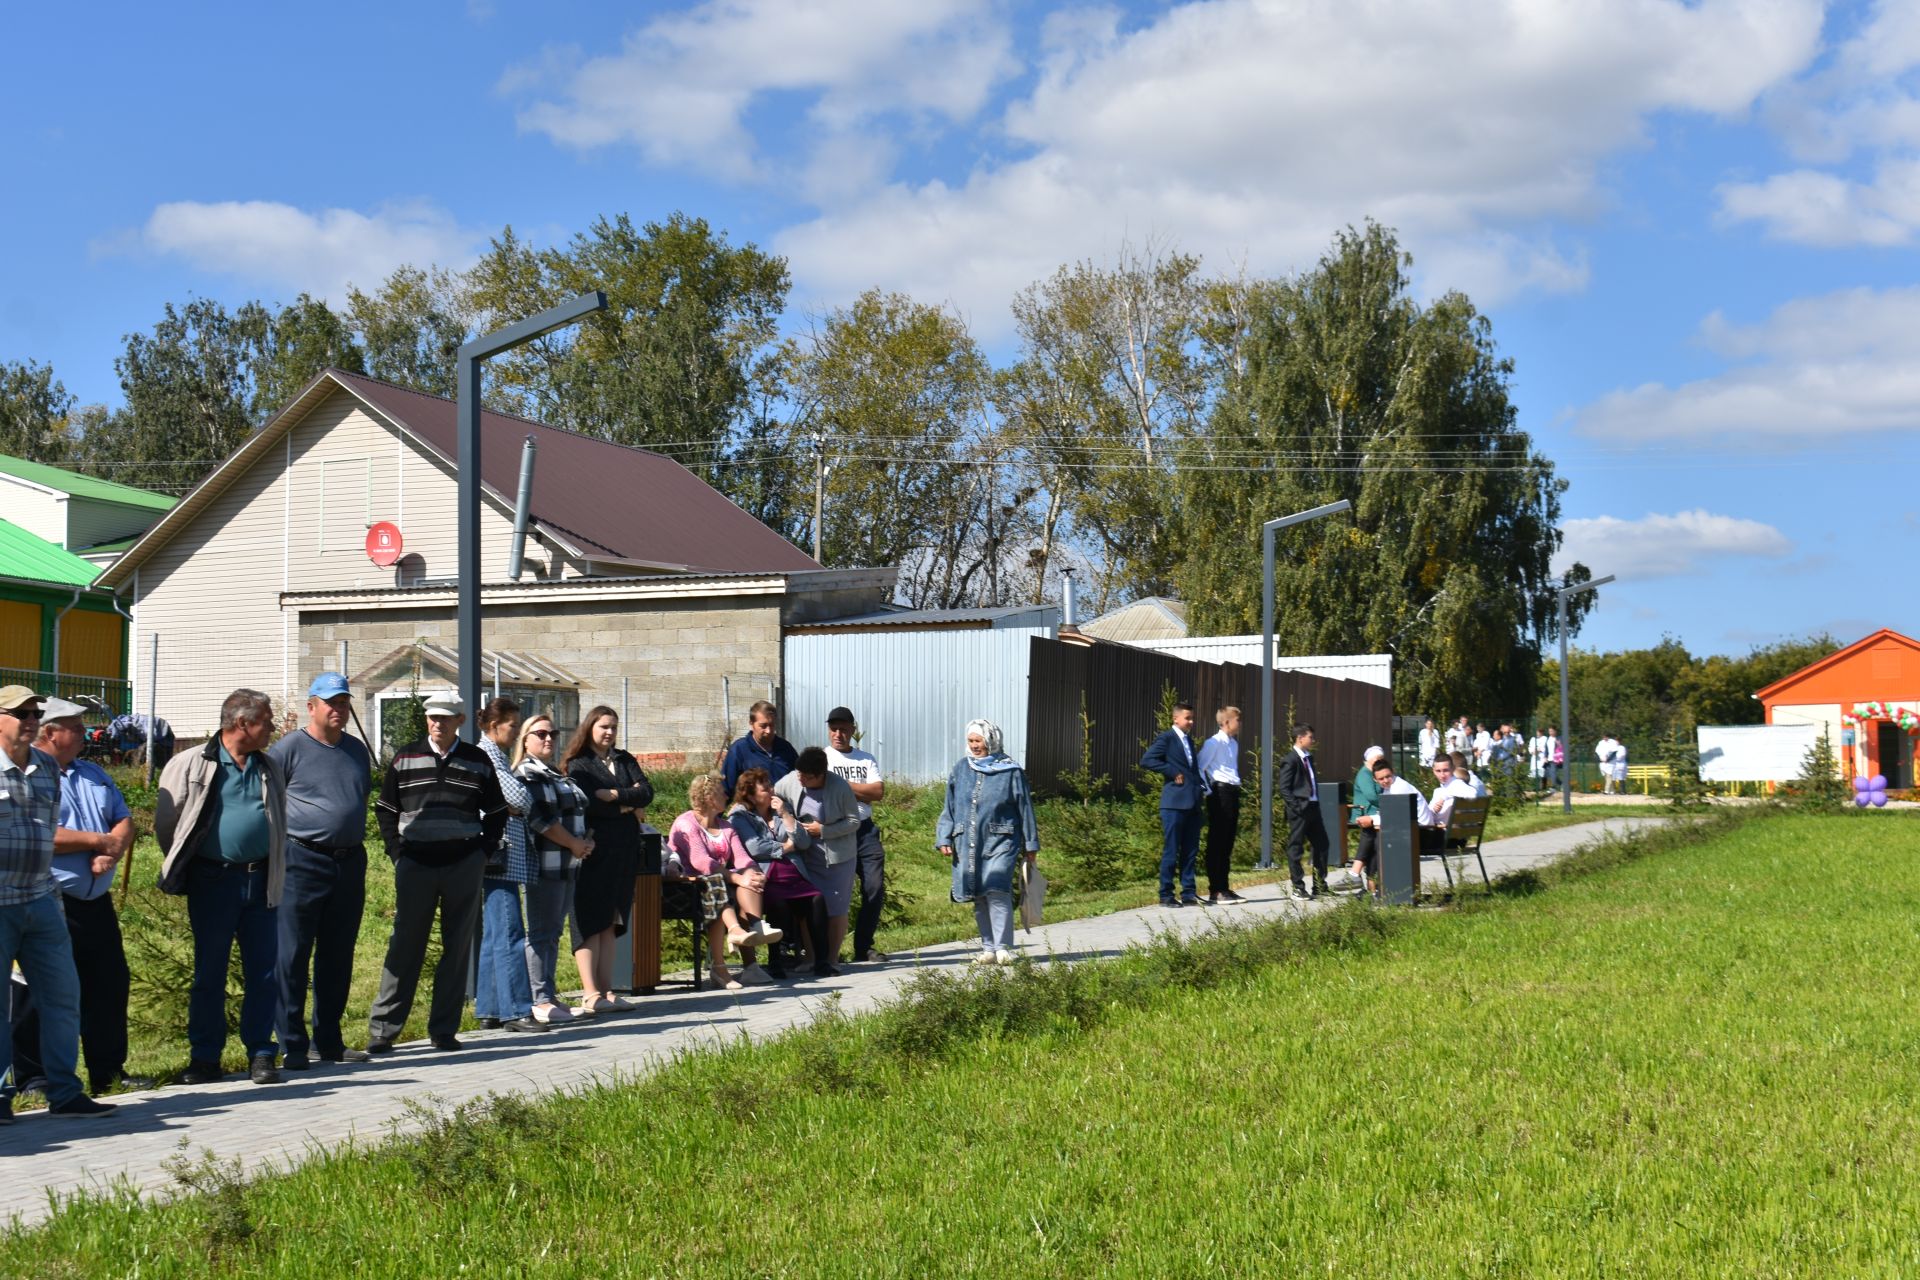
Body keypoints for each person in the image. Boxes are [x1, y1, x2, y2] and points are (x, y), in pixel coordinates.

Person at [157, 688, 288, 1086]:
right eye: (266, 720)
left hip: (262, 878)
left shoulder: (269, 766)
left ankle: (261, 1054)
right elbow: (169, 824)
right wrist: (188, 866)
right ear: (242, 723)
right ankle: (205, 1058)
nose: (272, 727)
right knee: (209, 971)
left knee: (264, 972)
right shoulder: (190, 763)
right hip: (213, 881)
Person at [14, 698, 143, 1096]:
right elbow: (38, 835)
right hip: (50, 898)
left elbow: (123, 818)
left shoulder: (93, 773)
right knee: (43, 989)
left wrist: (112, 849)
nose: (85, 734)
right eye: (75, 726)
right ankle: (34, 1077)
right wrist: (96, 841)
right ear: (51, 732)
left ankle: (107, 1071)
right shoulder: (30, 774)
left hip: (95, 902)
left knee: (108, 982)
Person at [367, 690, 506, 1053]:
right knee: (404, 946)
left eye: (445, 717)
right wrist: (397, 854)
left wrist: (481, 853)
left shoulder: (477, 760)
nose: (437, 723)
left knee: (456, 947)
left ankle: (443, 1029)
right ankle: (384, 1029)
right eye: (432, 716)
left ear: (459, 720)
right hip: (416, 863)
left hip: (463, 863)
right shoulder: (406, 756)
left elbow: (496, 812)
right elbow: (385, 809)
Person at [0, 686, 115, 1120]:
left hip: (42, 898)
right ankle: (1, 1095)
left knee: (63, 997)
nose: (30, 720)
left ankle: (65, 1093)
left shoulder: (47, 766)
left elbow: (48, 831)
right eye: (20, 713)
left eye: (35, 713)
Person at [270, 674, 374, 1071]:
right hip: (301, 860)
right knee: (293, 953)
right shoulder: (289, 749)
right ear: (311, 706)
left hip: (348, 862)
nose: (338, 709)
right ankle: (292, 1044)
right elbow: (268, 802)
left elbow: (359, 797)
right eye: (330, 702)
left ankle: (328, 1040)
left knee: (337, 954)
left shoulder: (356, 750)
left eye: (344, 702)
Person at [564, 705, 653, 1015]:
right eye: (603, 726)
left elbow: (647, 793)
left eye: (614, 727)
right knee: (590, 920)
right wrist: (629, 801)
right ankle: (590, 993)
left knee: (611, 921)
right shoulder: (579, 764)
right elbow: (590, 804)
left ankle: (606, 990)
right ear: (590, 727)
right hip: (595, 852)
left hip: (625, 851)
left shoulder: (624, 759)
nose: (609, 732)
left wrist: (615, 796)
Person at [512, 712, 594, 1025]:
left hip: (568, 864)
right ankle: (540, 999)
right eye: (541, 734)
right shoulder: (527, 772)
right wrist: (573, 843)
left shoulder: (553, 772)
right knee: (541, 932)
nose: (548, 739)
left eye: (552, 734)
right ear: (525, 739)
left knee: (553, 932)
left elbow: (578, 811)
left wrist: (586, 841)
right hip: (543, 865)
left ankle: (549, 993)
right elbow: (540, 819)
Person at [936, 719, 1039, 965]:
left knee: (996, 888)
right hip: (968, 842)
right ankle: (988, 948)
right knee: (978, 893)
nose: (974, 746)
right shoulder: (961, 768)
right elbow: (949, 806)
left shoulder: (1011, 770)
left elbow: (1025, 807)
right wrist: (944, 836)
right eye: (970, 741)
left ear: (991, 741)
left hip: (1001, 841)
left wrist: (1031, 844)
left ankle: (1003, 947)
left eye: (978, 741)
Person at [666, 775, 783, 990]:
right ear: (709, 796)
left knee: (747, 877)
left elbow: (742, 857)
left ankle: (756, 928)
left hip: (716, 883)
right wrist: (737, 877)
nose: (727, 796)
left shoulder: (726, 826)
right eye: (722, 792)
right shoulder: (686, 823)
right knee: (723, 882)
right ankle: (735, 936)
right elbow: (701, 862)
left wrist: (753, 872)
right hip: (687, 887)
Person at [473, 697, 544, 1035]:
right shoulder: (488, 756)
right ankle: (515, 1010)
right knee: (510, 932)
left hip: (498, 858)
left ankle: (488, 1007)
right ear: (493, 725)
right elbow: (518, 798)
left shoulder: (495, 757)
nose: (516, 732)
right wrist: (517, 805)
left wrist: (512, 805)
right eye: (513, 726)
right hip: (500, 858)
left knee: (494, 934)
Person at [727, 768, 822, 978]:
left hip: (795, 874)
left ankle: (820, 959)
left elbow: (804, 842)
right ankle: (775, 961)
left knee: (816, 899)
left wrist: (786, 815)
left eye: (771, 785)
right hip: (767, 877)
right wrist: (785, 848)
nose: (772, 790)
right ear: (750, 795)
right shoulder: (740, 816)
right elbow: (754, 847)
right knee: (778, 904)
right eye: (765, 788)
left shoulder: (780, 810)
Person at [774, 747, 861, 976]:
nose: (800, 779)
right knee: (808, 906)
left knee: (836, 909)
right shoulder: (791, 780)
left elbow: (854, 821)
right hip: (807, 857)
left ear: (820, 775)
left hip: (839, 858)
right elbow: (772, 797)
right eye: (798, 773)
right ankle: (811, 958)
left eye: (806, 776)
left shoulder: (840, 787)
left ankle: (831, 958)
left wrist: (823, 830)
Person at [824, 706, 889, 963]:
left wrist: (842, 785)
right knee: (837, 892)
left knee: (874, 887)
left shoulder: (866, 758)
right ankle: (830, 949)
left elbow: (878, 793)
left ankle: (863, 946)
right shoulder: (823, 758)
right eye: (833, 729)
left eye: (843, 729)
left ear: (853, 730)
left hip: (865, 831)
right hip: (837, 831)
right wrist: (861, 790)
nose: (838, 734)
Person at [1140, 701, 1208, 908]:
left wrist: (1201, 786)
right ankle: (1166, 894)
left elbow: (1191, 768)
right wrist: (1171, 771)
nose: (1191, 722)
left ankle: (1188, 892)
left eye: (1192, 718)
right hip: (1174, 804)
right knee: (1172, 849)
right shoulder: (1167, 738)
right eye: (1187, 718)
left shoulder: (1189, 741)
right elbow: (1147, 760)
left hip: (1193, 802)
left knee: (1190, 850)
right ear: (1175, 718)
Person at [1352, 755, 1440, 894]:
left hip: (1423, 834)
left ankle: (1365, 882)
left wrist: (1372, 819)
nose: (1386, 781)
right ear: (1375, 780)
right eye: (1381, 779)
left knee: (1376, 838)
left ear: (1393, 772)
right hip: (1413, 830)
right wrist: (1371, 819)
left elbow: (1395, 817)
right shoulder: (1390, 789)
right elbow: (1393, 816)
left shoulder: (1399, 788)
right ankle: (1371, 887)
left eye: (1388, 776)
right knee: (1373, 835)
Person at [1197, 705, 1245, 905]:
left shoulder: (1233, 744)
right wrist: (1209, 791)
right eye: (1237, 720)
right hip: (1220, 792)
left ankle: (1224, 887)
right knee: (1217, 841)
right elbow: (1200, 767)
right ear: (1226, 722)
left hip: (1232, 792)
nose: (1240, 724)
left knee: (1227, 841)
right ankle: (1215, 889)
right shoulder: (1213, 743)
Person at [1276, 723, 1330, 901]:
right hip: (1300, 809)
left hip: (1314, 807)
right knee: (1296, 847)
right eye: (1310, 737)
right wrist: (1297, 807)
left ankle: (1320, 885)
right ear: (1300, 738)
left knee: (1322, 844)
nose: (1313, 740)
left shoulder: (1309, 758)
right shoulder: (1290, 759)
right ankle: (1298, 887)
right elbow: (1284, 788)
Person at [720, 700, 798, 803]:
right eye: (763, 726)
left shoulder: (786, 748)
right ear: (751, 724)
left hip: (784, 812)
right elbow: (725, 789)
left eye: (772, 725)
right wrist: (713, 817)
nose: (769, 731)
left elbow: (800, 780)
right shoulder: (739, 750)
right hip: (752, 815)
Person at [1347, 745, 1386, 886]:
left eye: (1381, 759)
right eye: (1377, 759)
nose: (1379, 761)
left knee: (1375, 842)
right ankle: (1359, 876)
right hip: (1364, 812)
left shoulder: (1375, 774)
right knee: (1371, 833)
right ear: (1369, 760)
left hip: (1374, 813)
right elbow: (1371, 796)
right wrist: (1388, 805)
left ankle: (1365, 880)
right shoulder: (1364, 774)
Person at [1427, 755, 1481, 830]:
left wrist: (1444, 797)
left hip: (1445, 834)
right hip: (1448, 833)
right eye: (1438, 771)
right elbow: (1428, 816)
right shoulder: (1439, 791)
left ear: (1453, 769)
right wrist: (1434, 810)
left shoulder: (1457, 784)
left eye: (1446, 770)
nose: (1442, 775)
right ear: (1433, 771)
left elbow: (1473, 794)